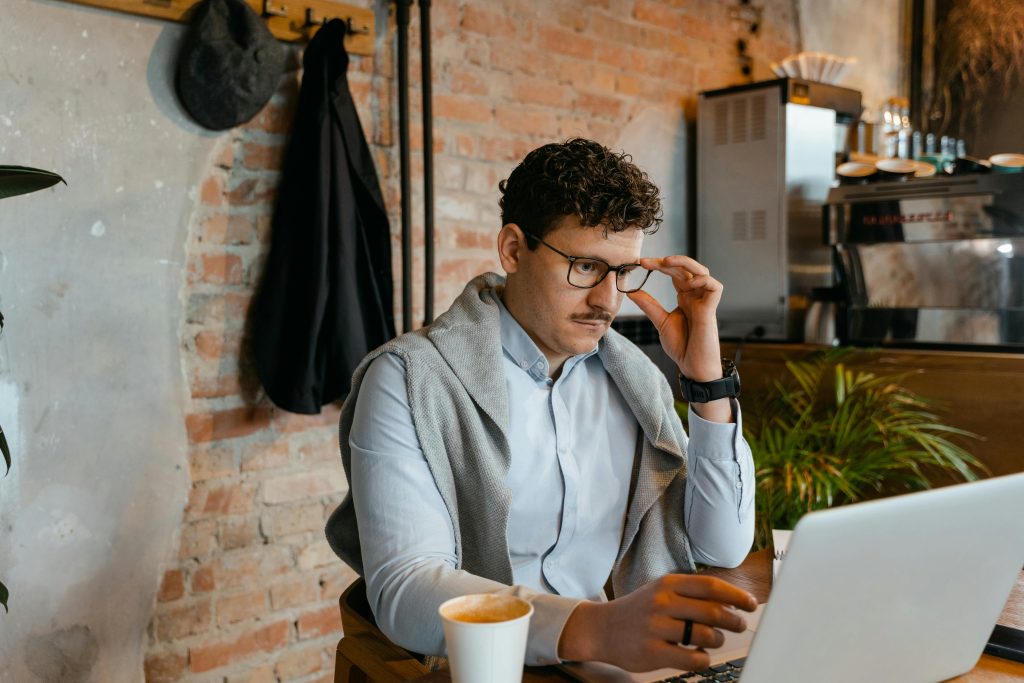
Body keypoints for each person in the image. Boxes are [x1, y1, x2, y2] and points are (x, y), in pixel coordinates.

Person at [325, 138, 756, 673]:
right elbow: (405, 588)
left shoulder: (634, 380)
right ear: (512, 249)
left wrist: (706, 383)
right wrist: (593, 629)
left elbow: (722, 546)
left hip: (615, 665)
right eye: (584, 267)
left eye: (621, 272)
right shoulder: (410, 378)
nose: (608, 301)